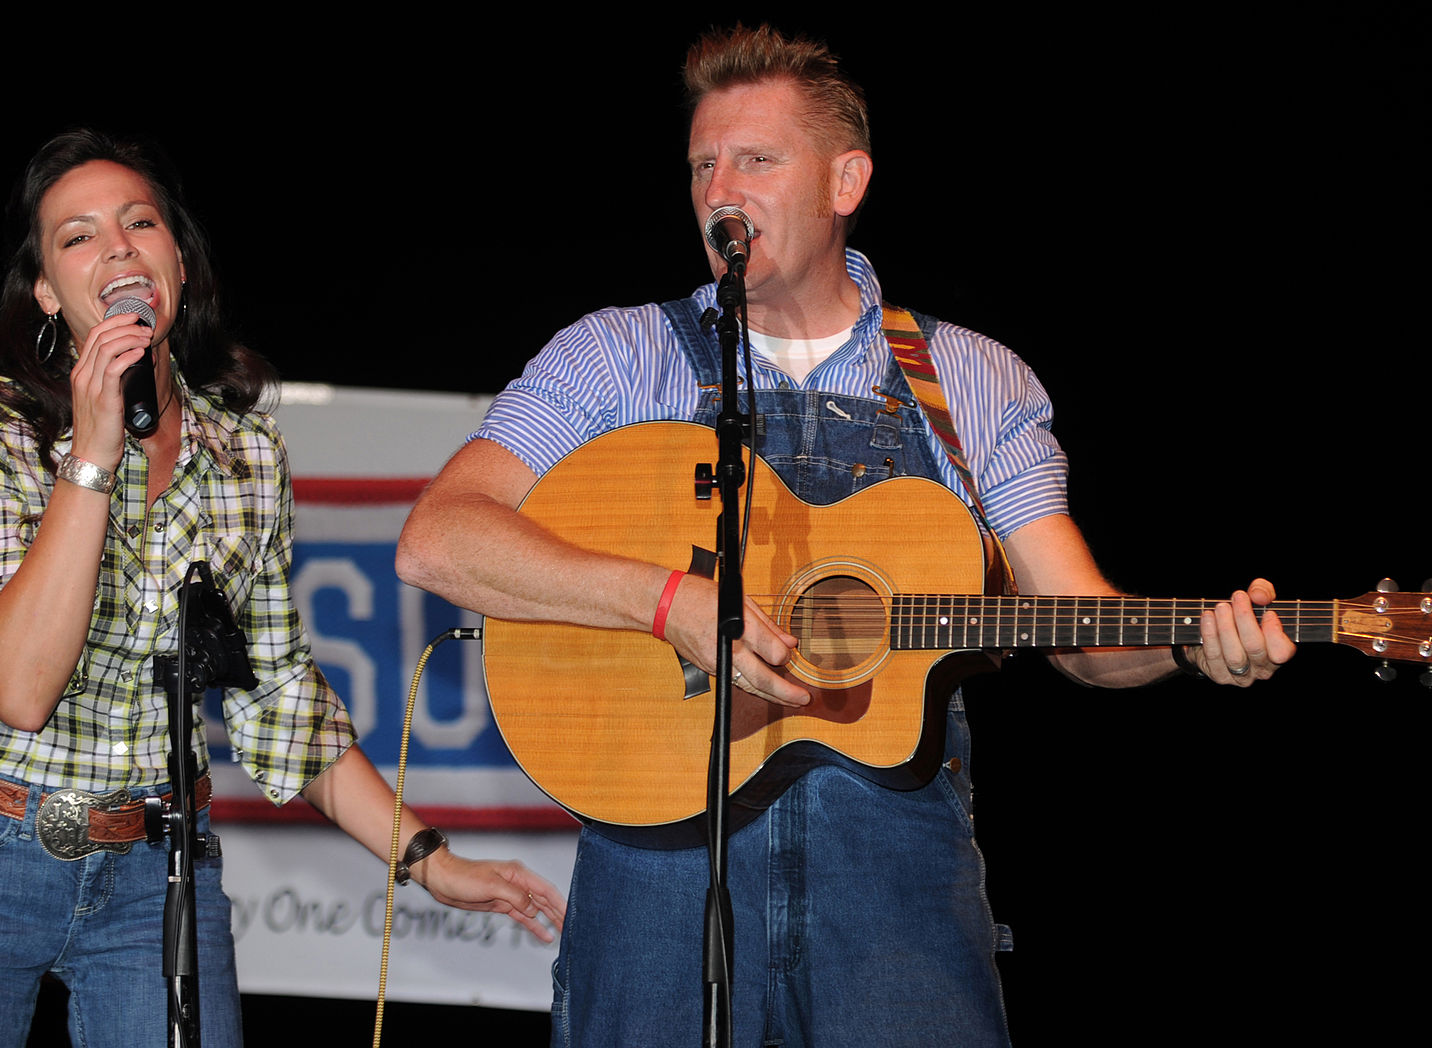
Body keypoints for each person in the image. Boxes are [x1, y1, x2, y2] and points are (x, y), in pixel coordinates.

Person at [395, 24, 1294, 1047]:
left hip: (895, 883)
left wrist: (1187, 638)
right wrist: (663, 601)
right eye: (701, 163)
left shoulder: (972, 378)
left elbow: (1080, 628)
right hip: (657, 868)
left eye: (756, 159)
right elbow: (440, 539)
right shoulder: (613, 355)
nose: (718, 188)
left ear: (845, 179)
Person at [0, 129, 565, 1048]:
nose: (116, 246)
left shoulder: (244, 457)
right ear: (46, 292)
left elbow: (280, 699)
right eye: (78, 237)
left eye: (139, 223)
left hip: (159, 873)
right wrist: (91, 456)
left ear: (177, 266)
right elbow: (23, 690)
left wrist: (428, 861)